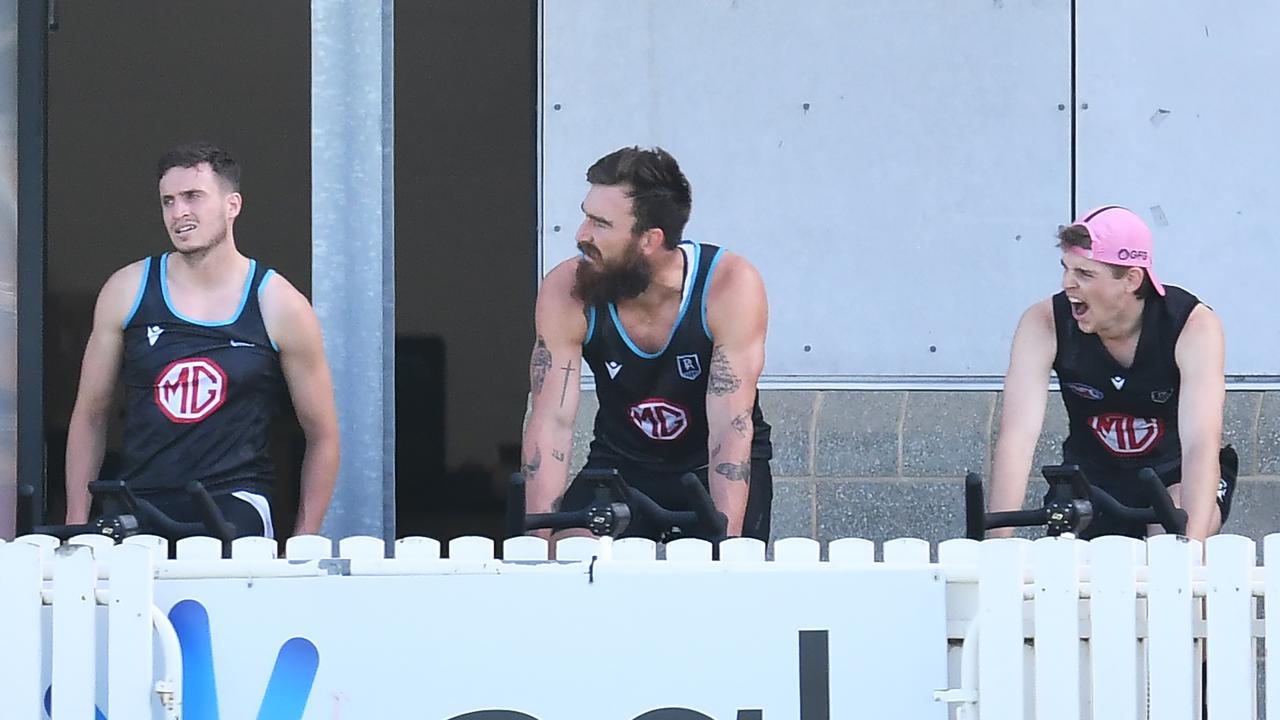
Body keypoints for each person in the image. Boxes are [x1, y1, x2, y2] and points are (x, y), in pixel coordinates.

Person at [64, 142, 340, 539]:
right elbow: (91, 413)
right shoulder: (127, 289)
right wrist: (77, 523)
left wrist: (304, 539)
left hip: (235, 503)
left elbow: (323, 434)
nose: (179, 214)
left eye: (193, 197)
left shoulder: (279, 303)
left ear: (233, 205)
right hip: (140, 499)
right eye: (168, 201)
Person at [521, 146, 773, 542]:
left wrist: (728, 549)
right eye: (584, 215)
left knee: (716, 584)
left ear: (649, 240)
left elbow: (730, 428)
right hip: (621, 465)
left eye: (600, 224)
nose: (580, 235)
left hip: (708, 467)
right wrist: (537, 542)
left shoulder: (728, 286)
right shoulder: (567, 289)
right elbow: (552, 422)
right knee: (566, 554)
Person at [988, 205, 1232, 541]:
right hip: (1092, 479)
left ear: (1132, 279)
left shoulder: (1192, 325)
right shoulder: (1044, 322)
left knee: (1170, 535)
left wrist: (1191, 551)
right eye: (1066, 269)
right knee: (1066, 553)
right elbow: (1017, 437)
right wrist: (997, 545)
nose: (1067, 284)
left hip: (1173, 474)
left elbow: (1200, 444)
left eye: (1085, 274)